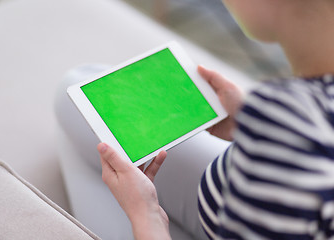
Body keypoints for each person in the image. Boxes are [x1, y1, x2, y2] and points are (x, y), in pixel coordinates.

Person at [98, 0, 334, 239]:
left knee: (79, 108)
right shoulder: (294, 118)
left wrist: (146, 216)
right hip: (226, 197)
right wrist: (252, 128)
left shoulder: (286, 116)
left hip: (215, 216)